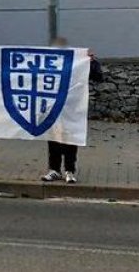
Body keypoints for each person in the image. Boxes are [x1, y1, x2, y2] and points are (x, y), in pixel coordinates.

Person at [41, 37, 103, 184]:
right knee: (54, 138)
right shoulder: (49, 63)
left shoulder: (77, 63)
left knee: (70, 138)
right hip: (54, 107)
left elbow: (98, 77)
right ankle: (54, 169)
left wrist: (91, 62)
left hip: (72, 107)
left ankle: (69, 170)